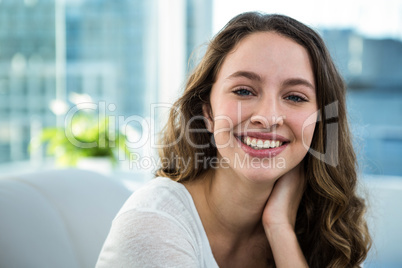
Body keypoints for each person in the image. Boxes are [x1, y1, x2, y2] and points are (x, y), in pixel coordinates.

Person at [96, 12, 371, 267]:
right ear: (208, 112)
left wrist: (279, 229)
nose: (268, 117)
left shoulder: (316, 221)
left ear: (320, 122)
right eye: (243, 91)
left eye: (295, 97)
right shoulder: (153, 225)